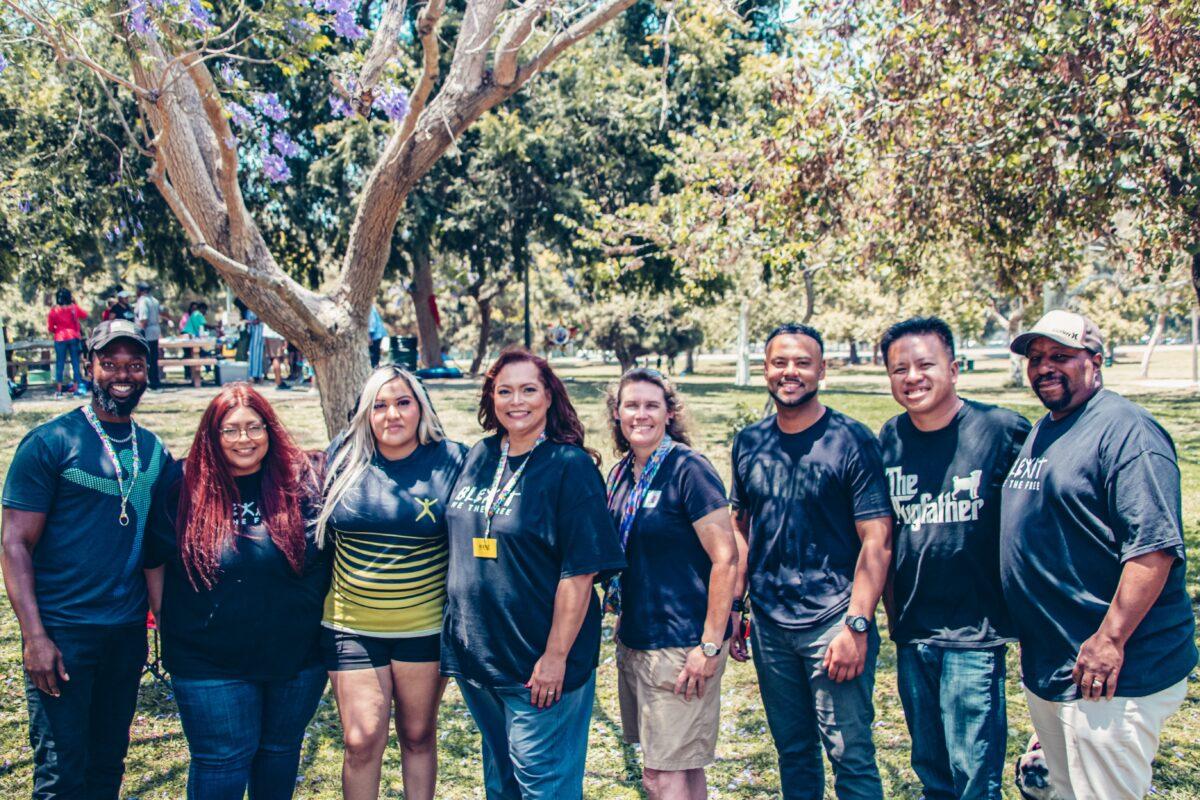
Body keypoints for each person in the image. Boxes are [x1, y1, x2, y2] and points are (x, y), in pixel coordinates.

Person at [1000, 310, 1197, 800]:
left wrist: (1109, 639)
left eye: (1061, 356)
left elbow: (1153, 549)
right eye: (1036, 357)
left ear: (1095, 360)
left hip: (1110, 672)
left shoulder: (1128, 432)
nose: (1045, 367)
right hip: (1058, 661)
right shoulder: (1049, 426)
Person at [442, 347, 625, 800]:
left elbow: (580, 573)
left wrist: (555, 657)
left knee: (544, 786)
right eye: (504, 390)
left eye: (528, 389)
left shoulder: (570, 467)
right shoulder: (480, 456)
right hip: (479, 659)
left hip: (539, 665)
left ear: (549, 397)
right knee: (501, 784)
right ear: (491, 398)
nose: (515, 400)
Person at [1, 320, 172, 800]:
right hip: (63, 635)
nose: (123, 374)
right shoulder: (51, 442)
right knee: (61, 774)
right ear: (87, 366)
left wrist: (167, 623)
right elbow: (15, 544)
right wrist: (35, 638)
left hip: (124, 634)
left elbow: (155, 550)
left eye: (134, 365)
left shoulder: (153, 450)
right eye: (110, 363)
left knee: (107, 764)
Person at [144, 382, 330, 799]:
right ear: (212, 435)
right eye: (231, 429)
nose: (244, 439)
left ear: (269, 430)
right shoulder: (182, 488)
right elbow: (154, 559)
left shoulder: (302, 483)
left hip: (296, 660)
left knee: (279, 754)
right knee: (222, 763)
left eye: (254, 427)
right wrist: (169, 626)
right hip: (209, 661)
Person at [730, 322, 892, 800]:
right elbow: (741, 529)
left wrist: (856, 626)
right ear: (766, 370)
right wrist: (734, 611)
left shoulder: (851, 440)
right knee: (793, 752)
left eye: (802, 362)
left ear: (822, 369)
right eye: (780, 362)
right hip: (770, 625)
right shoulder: (749, 442)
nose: (790, 371)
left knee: (851, 756)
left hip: (833, 622)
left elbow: (877, 539)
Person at [877, 317, 1030, 800]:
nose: (912, 377)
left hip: (974, 631)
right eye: (899, 369)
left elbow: (1043, 516)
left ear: (954, 369)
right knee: (931, 769)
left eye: (926, 365)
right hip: (912, 629)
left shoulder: (1002, 430)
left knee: (973, 775)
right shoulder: (889, 439)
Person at [316, 366, 467, 800]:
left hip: (424, 627)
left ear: (421, 407)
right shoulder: (342, 456)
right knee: (361, 741)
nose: (392, 414)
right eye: (379, 405)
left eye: (403, 402)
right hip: (350, 626)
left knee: (418, 735)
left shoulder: (452, 460)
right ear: (366, 413)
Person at [604, 368, 739, 800]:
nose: (640, 415)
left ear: (668, 413)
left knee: (660, 778)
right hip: (636, 640)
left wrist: (710, 646)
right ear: (617, 413)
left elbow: (726, 557)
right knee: (682, 770)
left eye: (651, 406)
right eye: (631, 405)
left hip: (682, 647)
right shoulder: (620, 474)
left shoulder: (688, 469)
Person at [46, 288, 88, 399]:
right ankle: (76, 389)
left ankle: (59, 391)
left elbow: (50, 328)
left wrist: (58, 330)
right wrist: (75, 303)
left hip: (60, 337)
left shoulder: (54, 311)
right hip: (73, 336)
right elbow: (84, 315)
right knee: (75, 363)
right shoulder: (74, 308)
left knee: (59, 363)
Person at [134, 282, 165, 391]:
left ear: (140, 290)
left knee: (147, 358)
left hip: (147, 331)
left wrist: (139, 333)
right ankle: (155, 381)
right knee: (154, 357)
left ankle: (151, 383)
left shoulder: (143, 301)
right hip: (155, 330)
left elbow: (144, 319)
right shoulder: (154, 300)